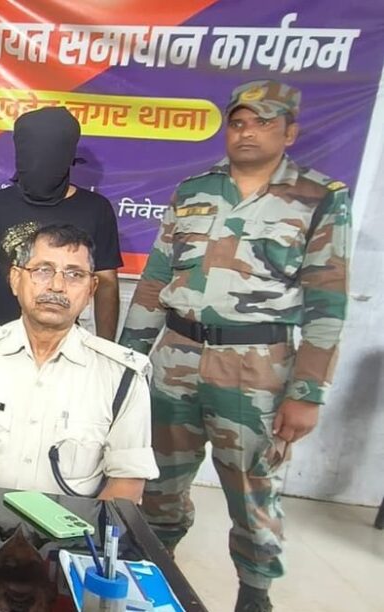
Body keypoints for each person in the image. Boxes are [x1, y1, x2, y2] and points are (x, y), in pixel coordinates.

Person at [118, 80, 350, 612]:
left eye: (263, 123)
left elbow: (328, 304)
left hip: (256, 370)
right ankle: (156, 574)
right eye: (239, 122)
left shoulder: (319, 197)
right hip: (175, 358)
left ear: (289, 132)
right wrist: (128, 360)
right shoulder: (194, 190)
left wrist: (307, 393)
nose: (247, 132)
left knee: (251, 490)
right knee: (157, 481)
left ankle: (254, 593)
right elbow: (155, 281)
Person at [0, 225, 157, 500]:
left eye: (74, 275)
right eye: (42, 270)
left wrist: (77, 528)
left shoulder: (121, 376)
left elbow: (128, 480)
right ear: (16, 279)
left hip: (71, 524)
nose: (57, 286)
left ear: (91, 289)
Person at [0, 107, 123, 338]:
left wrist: (106, 346)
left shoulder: (95, 210)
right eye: (31, 153)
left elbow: (106, 285)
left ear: (68, 156)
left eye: (50, 154)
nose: (39, 162)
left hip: (63, 343)